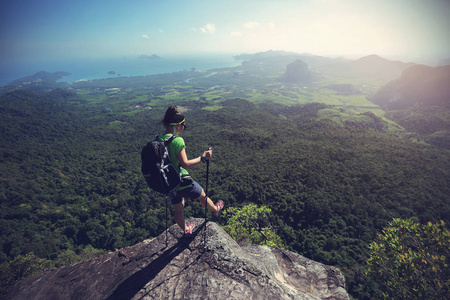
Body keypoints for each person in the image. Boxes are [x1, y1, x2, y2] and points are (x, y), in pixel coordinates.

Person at [159, 105, 224, 235]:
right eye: (184, 125)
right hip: (181, 180)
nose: (184, 128)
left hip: (167, 183)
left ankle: (186, 230)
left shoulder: (159, 139)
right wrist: (203, 157)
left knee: (178, 209)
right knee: (202, 195)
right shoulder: (177, 141)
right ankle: (215, 209)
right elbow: (186, 164)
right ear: (177, 125)